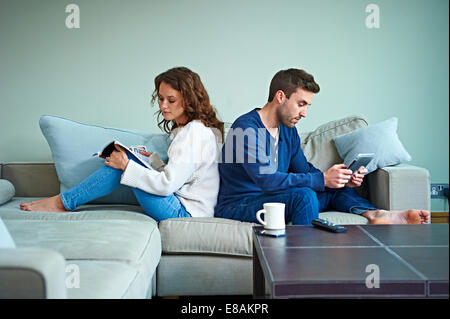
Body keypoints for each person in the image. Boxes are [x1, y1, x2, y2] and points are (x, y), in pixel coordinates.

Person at [215, 68, 430, 225]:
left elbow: (305, 170)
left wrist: (340, 179)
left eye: (307, 106)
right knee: (304, 195)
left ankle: (377, 215)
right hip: (240, 204)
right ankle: (303, 269)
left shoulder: (288, 130)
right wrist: (321, 180)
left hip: (272, 199)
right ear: (280, 96)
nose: (304, 113)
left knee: (331, 190)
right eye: (301, 104)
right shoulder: (246, 129)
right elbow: (267, 180)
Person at [20, 67, 224, 222]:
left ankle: (62, 203)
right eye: (161, 99)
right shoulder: (189, 130)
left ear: (188, 99)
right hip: (183, 205)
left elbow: (167, 185)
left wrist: (128, 165)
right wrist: (148, 159)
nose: (163, 106)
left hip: (186, 214)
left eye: (171, 100)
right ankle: (63, 202)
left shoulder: (193, 133)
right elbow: (180, 176)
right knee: (125, 161)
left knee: (121, 165)